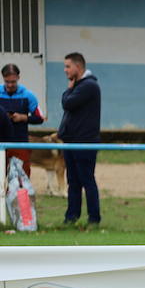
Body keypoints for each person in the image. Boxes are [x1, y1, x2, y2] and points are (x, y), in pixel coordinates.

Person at [58, 52, 101, 227]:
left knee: (87, 180)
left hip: (84, 142)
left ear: (78, 66)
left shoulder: (88, 86)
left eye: (68, 66)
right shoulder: (79, 85)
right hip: (71, 141)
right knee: (73, 182)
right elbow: (67, 102)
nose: (65, 70)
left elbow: (67, 103)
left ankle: (94, 218)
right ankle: (71, 217)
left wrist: (69, 90)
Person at [0, 63, 44, 177]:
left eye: (13, 82)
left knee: (22, 179)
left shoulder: (28, 96)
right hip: (1, 144)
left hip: (20, 142)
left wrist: (23, 117)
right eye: (7, 81)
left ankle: (22, 195)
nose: (10, 85)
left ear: (18, 78)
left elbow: (40, 118)